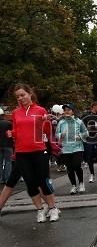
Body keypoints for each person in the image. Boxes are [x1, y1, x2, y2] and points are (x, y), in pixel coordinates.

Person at [7, 84, 61, 222]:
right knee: (30, 183)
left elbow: (47, 131)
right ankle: (40, 210)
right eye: (18, 96)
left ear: (30, 93)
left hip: (38, 150)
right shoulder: (16, 112)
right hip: (22, 151)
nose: (20, 98)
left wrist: (46, 122)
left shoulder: (40, 110)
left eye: (23, 95)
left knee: (43, 181)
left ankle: (53, 208)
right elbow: (16, 131)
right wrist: (11, 133)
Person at [55, 104, 88, 194]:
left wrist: (80, 136)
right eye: (65, 110)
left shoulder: (79, 121)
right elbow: (56, 134)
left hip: (77, 148)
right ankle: (73, 186)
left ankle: (81, 183)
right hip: (66, 149)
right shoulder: (61, 123)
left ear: (73, 112)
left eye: (69, 110)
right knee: (69, 168)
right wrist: (61, 135)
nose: (66, 111)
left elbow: (86, 132)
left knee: (77, 165)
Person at [0, 108, 13, 184]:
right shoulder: (8, 123)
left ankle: (1, 179)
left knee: (0, 162)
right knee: (8, 162)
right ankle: (7, 178)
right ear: (3, 116)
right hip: (8, 145)